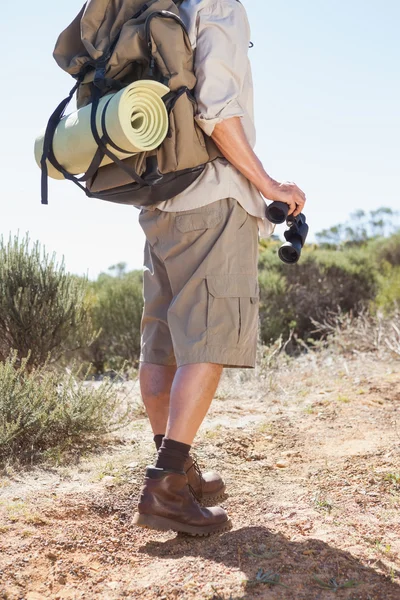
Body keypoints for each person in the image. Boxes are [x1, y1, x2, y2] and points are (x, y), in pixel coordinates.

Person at [133, 0, 306, 536]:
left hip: (159, 201)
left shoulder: (155, 9)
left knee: (161, 344)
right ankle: (165, 488)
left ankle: (179, 471)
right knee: (207, 341)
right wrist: (269, 185)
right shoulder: (218, 6)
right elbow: (216, 110)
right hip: (210, 198)